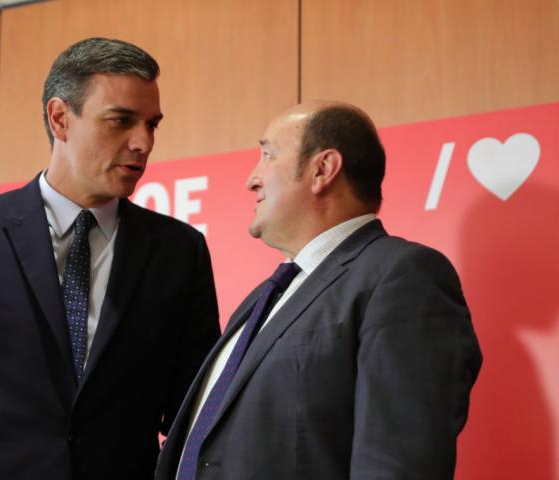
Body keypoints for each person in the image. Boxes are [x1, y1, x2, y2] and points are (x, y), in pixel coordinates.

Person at [0, 37, 220, 480]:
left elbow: (194, 419)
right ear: (60, 118)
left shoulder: (180, 251)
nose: (143, 142)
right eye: (121, 120)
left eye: (152, 125)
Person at [156, 101, 482, 480]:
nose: (251, 179)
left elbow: (397, 464)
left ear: (323, 169)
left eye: (267, 156)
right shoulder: (264, 297)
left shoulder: (403, 276)